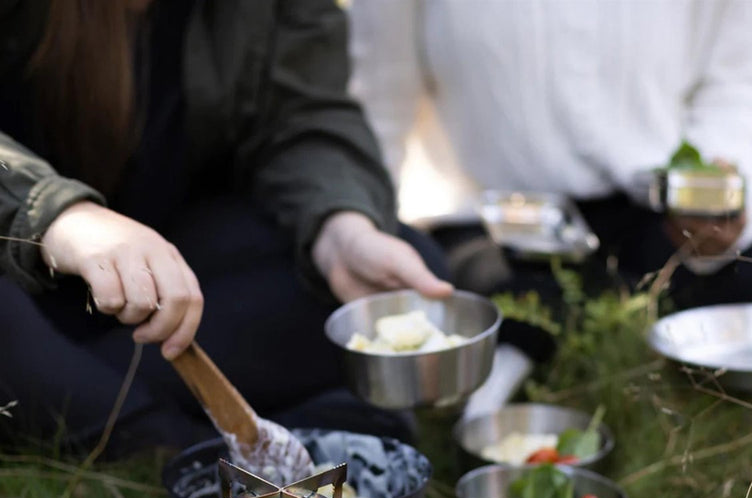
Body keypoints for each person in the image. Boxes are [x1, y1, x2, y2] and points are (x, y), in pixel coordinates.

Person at [0, 0, 453, 459]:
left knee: (388, 280)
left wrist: (339, 229)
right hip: (16, 284)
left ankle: (67, 397)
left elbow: (301, 113)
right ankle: (179, 442)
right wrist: (59, 217)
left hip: (164, 291)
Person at [347, 0, 752, 310]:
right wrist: (358, 229)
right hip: (490, 227)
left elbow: (731, 86)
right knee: (518, 313)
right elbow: (377, 104)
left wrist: (720, 198)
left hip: (657, 217)